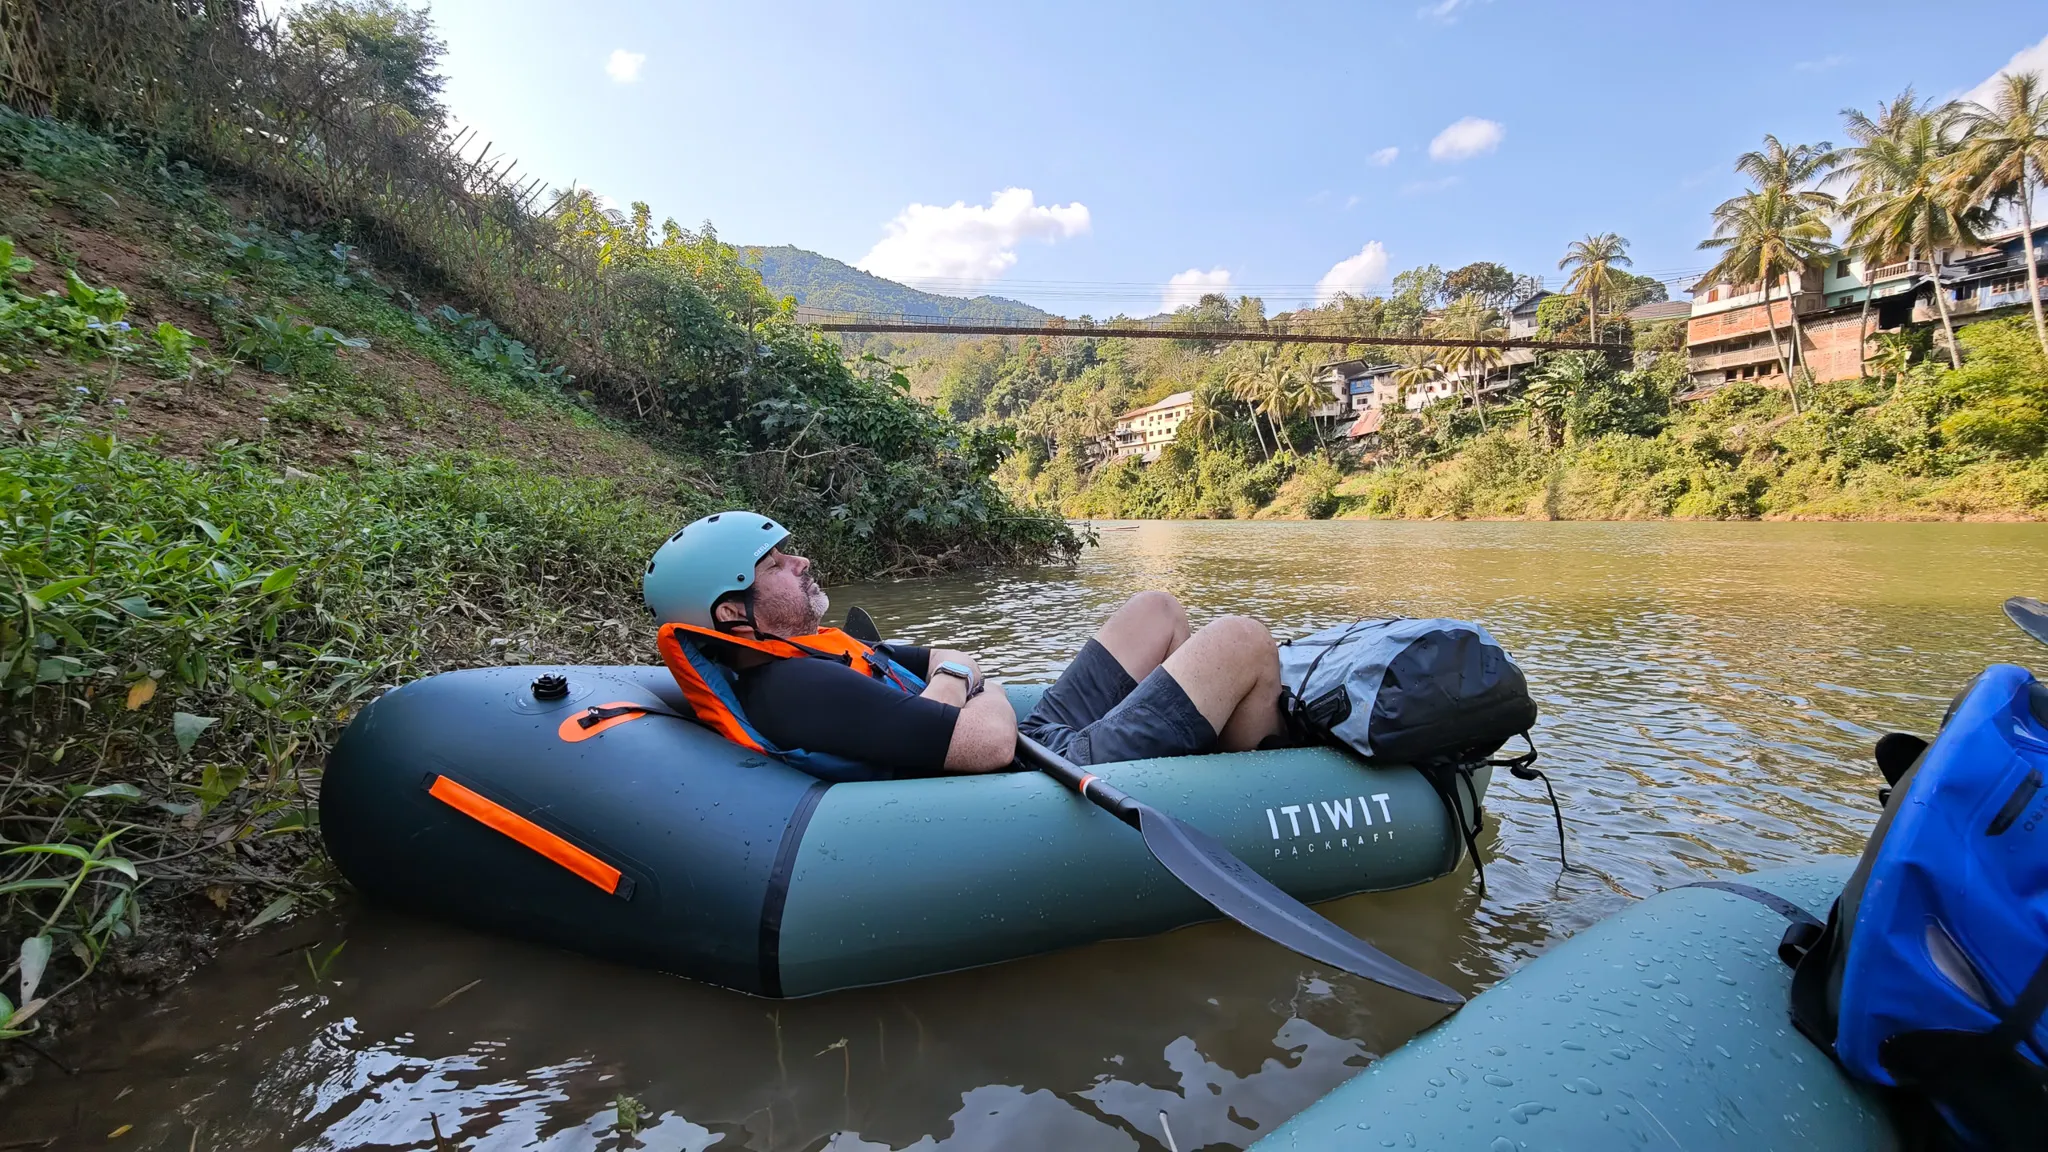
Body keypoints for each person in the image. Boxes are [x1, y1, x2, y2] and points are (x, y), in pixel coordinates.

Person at [643, 511, 1288, 780]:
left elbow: (955, 660)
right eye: (776, 565)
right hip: (1041, 778)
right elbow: (990, 743)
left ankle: (1208, 728)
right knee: (1244, 639)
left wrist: (958, 683)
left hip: (1036, 738)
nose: (802, 561)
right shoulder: (796, 688)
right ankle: (1269, 783)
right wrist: (981, 687)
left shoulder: (818, 650)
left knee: (1157, 609)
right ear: (732, 612)